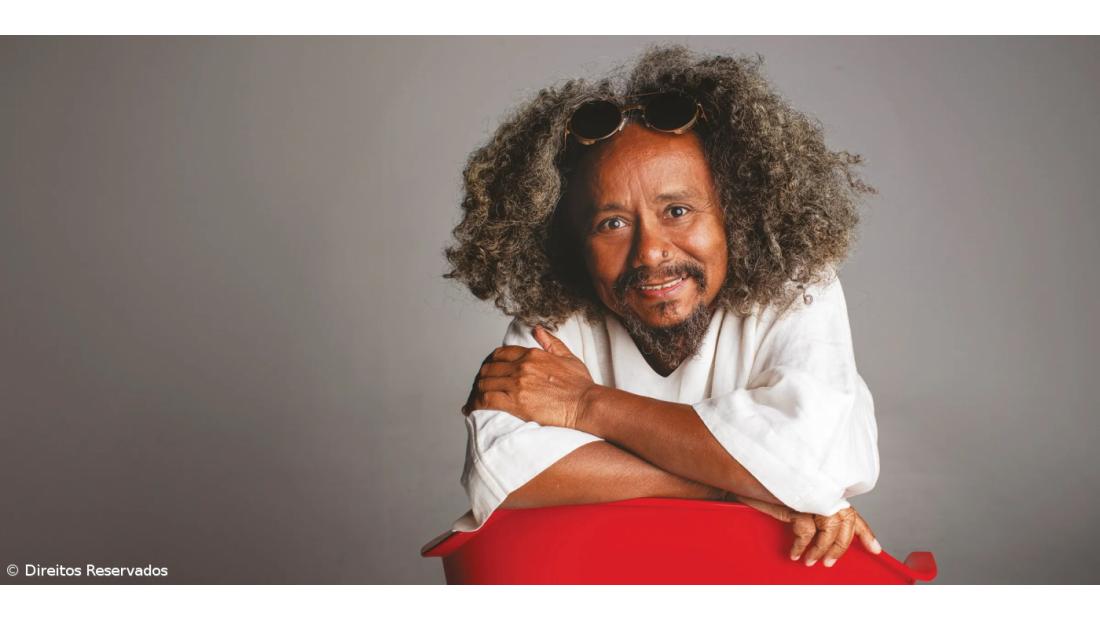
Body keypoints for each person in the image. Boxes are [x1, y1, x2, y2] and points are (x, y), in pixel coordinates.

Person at [444, 45, 882, 569]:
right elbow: (501, 471)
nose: (650, 252)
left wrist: (586, 405)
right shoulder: (556, 317)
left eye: (677, 210)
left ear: (736, 215)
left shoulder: (797, 289)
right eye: (612, 223)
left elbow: (806, 458)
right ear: (571, 240)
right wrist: (739, 486)